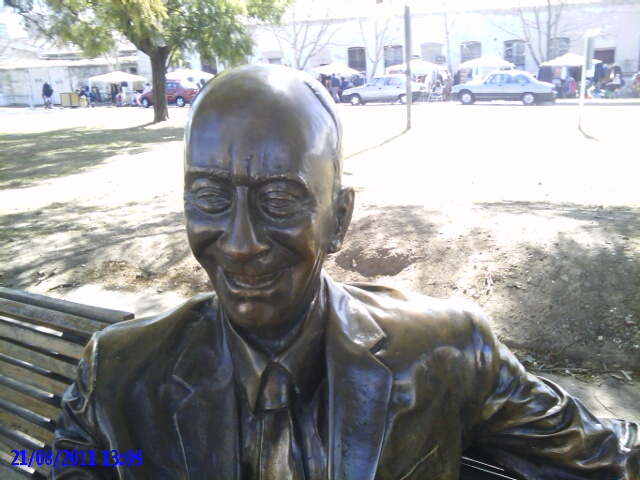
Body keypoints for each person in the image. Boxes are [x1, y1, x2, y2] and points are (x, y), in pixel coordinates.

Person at [52, 64, 639, 480]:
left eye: (278, 200)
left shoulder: (449, 351)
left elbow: (607, 456)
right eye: (209, 196)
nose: (239, 243)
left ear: (339, 220)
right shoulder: (117, 376)